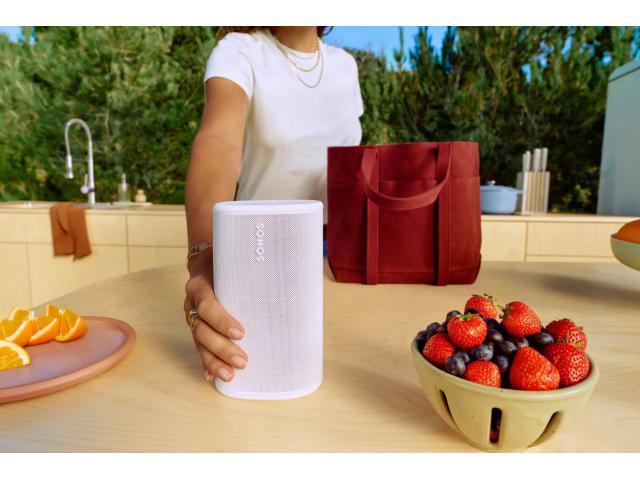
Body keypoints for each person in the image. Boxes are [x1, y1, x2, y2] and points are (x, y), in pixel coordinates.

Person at [184, 26, 364, 383]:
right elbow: (218, 141)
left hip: (338, 252)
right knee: (263, 370)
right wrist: (203, 261)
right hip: (261, 248)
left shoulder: (346, 65)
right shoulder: (240, 51)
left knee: (345, 365)